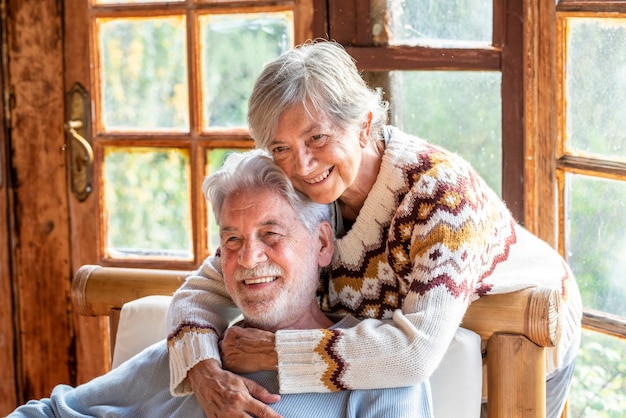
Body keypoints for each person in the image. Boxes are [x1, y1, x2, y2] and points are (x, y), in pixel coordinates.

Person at [166, 40, 583, 418]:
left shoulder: (440, 195)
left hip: (523, 333)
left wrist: (276, 352)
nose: (302, 165)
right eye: (281, 149)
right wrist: (203, 373)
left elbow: (415, 353)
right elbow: (201, 292)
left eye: (317, 137)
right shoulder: (303, 192)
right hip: (413, 356)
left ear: (364, 126)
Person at [9, 151, 428, 418]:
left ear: (320, 244)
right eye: (232, 240)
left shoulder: (379, 366)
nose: (248, 259)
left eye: (271, 234)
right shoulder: (194, 357)